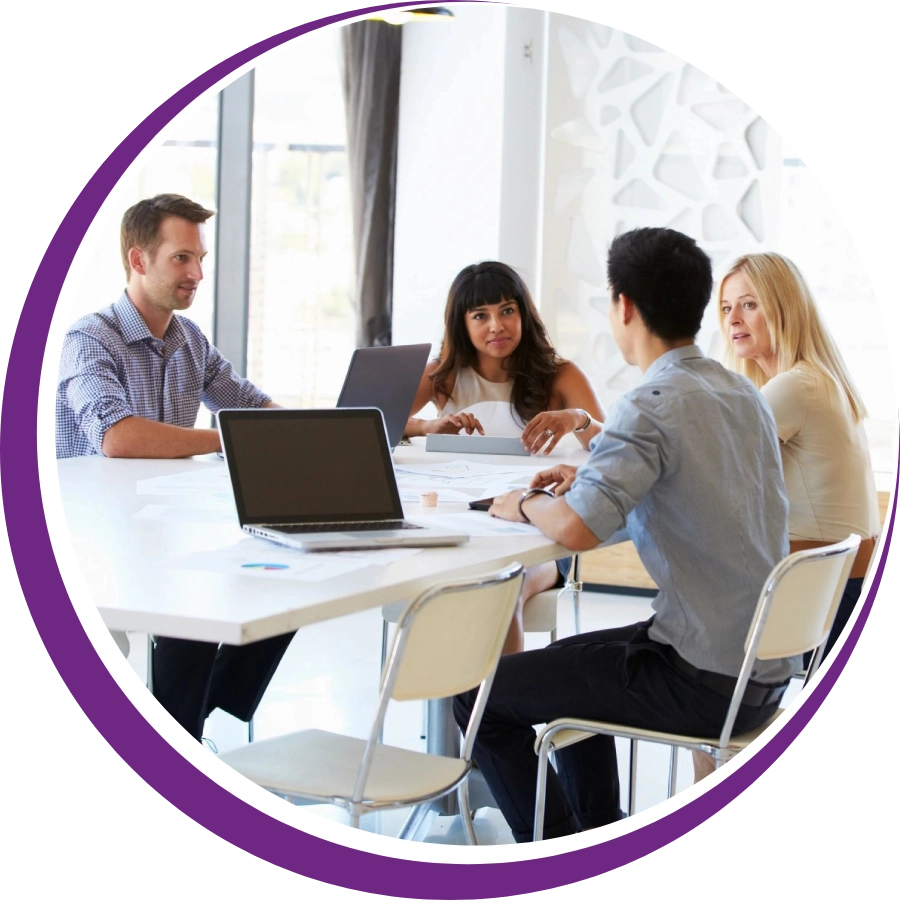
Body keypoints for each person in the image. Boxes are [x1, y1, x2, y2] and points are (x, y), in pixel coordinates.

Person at [452, 227, 794, 843]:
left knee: (480, 700)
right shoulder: (741, 391)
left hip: (701, 678)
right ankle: (595, 835)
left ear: (625, 306)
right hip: (762, 670)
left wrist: (524, 501)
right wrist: (586, 469)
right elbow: (678, 477)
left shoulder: (653, 401)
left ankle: (552, 851)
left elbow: (578, 528)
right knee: (565, 671)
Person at [56, 193, 293, 742]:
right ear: (138, 260)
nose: (197, 273)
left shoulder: (189, 340)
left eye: (200, 259)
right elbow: (118, 437)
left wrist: (311, 435)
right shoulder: (89, 339)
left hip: (166, 527)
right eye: (181, 259)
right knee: (199, 598)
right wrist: (233, 441)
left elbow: (251, 405)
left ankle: (184, 726)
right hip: (98, 537)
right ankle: (176, 730)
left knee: (285, 571)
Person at [687, 252, 882, 781]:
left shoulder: (794, 386)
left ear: (785, 309)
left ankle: (704, 790)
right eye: (727, 307)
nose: (733, 319)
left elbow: (706, 471)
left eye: (750, 305)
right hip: (839, 592)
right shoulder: (819, 380)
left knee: (690, 676)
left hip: (822, 602)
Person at [404, 260, 607, 653]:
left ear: (523, 315)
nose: (496, 326)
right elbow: (381, 421)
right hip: (461, 523)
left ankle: (498, 711)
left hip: (541, 531)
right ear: (462, 324)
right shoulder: (441, 376)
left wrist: (577, 419)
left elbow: (612, 450)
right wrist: (427, 427)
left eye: (507, 311)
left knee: (500, 590)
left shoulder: (561, 375)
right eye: (480, 315)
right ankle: (475, 709)